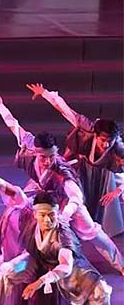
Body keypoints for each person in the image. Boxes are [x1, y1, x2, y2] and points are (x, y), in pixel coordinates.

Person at [0, 91, 124, 275]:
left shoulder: (62, 171)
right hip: (43, 195)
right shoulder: (30, 149)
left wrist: (64, 216)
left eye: (51, 156)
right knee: (12, 216)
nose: (48, 161)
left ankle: (120, 264)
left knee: (92, 230)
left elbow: (76, 198)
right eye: (43, 157)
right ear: (35, 152)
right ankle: (5, 260)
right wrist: (1, 107)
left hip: (65, 201)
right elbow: (15, 127)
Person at [0, 191, 119, 305]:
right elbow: (15, 194)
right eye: (43, 215)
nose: (47, 220)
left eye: (52, 215)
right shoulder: (30, 220)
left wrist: (40, 282)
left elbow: (66, 266)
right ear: (35, 214)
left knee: (99, 287)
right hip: (35, 258)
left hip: (63, 266)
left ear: (57, 213)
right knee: (7, 271)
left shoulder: (63, 233)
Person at [27, 83, 124, 237]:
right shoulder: (87, 129)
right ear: (96, 135)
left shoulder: (118, 148)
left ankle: (102, 228)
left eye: (109, 141)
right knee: (75, 194)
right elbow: (65, 110)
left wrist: (118, 190)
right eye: (102, 140)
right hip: (82, 166)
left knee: (104, 202)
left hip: (104, 172)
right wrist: (45, 93)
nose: (106, 145)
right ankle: (72, 222)